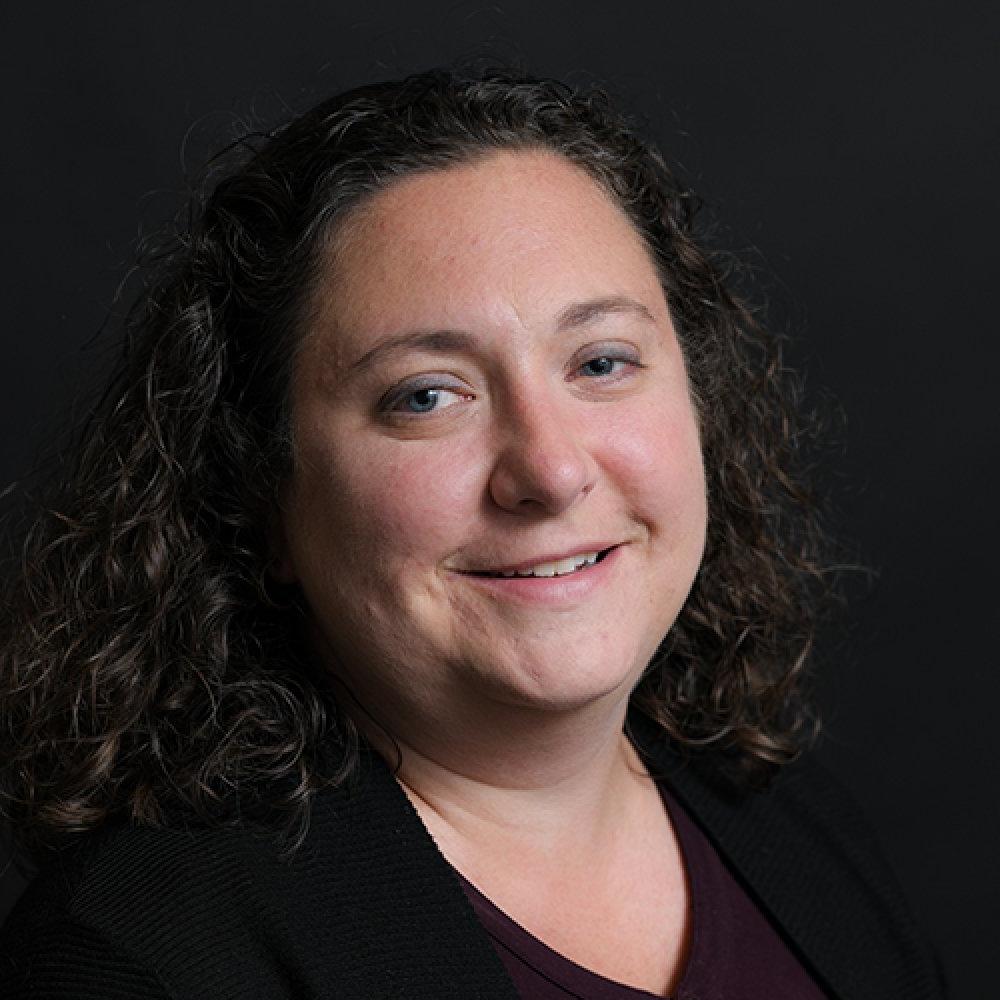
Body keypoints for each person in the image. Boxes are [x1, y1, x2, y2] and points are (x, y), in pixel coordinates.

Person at [0, 67, 943, 999]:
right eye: (427, 396)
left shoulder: (788, 820)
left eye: (602, 361)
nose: (550, 470)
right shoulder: (134, 962)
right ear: (261, 497)